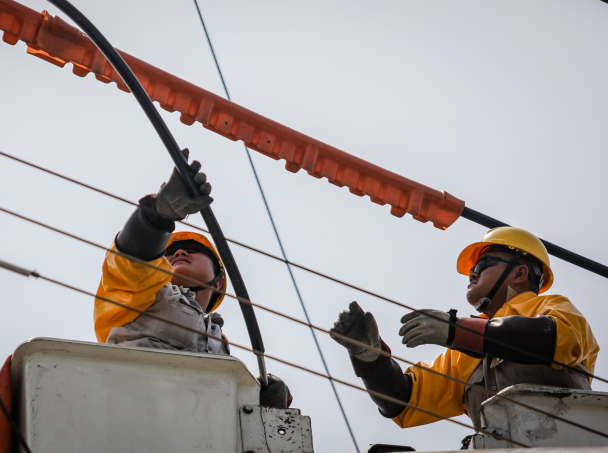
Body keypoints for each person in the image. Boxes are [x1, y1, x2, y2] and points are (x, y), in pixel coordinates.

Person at [330, 226, 598, 431]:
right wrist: (370, 357)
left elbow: (554, 340)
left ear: (519, 273)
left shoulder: (554, 308)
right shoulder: (464, 353)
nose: (472, 273)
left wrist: (455, 331)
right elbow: (404, 401)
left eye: (483, 264)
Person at [94, 150, 291, 408]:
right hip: (131, 406)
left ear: (218, 282)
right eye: (168, 252)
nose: (179, 252)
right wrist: (158, 217)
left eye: (193, 250)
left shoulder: (220, 344)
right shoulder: (147, 294)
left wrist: (260, 396)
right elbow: (131, 263)